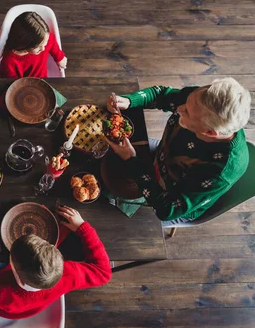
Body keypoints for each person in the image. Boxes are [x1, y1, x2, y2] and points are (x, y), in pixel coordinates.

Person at [105, 77, 251, 225]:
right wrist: (130, 101)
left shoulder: (220, 172)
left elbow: (166, 209)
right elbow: (161, 95)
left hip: (172, 202)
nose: (179, 108)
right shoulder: (201, 100)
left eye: (186, 112)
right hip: (160, 157)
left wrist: (131, 161)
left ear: (210, 132)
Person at [0, 205, 111, 319]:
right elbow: (104, 272)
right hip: (37, 303)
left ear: (16, 274)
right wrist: (82, 227)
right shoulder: (69, 272)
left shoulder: (2, 292)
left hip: (9, 309)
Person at [0, 11, 68, 79]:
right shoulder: (9, 63)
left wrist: (59, 57)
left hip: (43, 81)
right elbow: (12, 85)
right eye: (38, 46)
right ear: (25, 43)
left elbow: (51, 41)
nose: (43, 49)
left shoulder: (44, 39)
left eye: (45, 44)